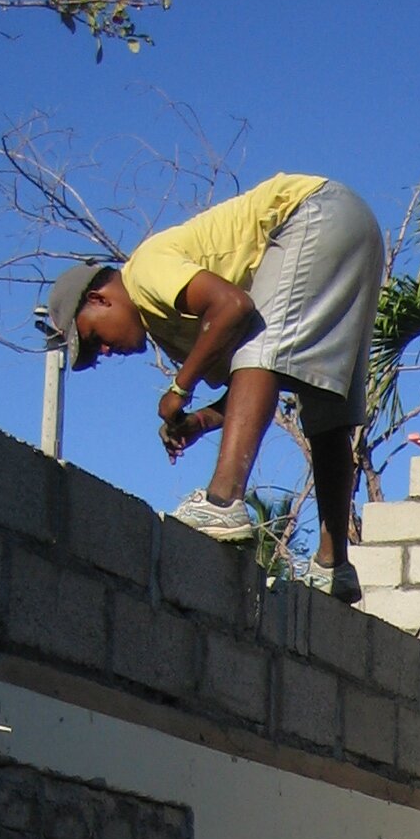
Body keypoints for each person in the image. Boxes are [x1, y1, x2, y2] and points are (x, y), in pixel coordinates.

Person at [45, 174, 383, 601]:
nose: (106, 351)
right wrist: (201, 421)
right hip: (356, 228)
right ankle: (333, 567)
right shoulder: (168, 327)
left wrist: (180, 388)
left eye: (95, 339)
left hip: (311, 211)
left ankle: (222, 504)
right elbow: (257, 381)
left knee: (264, 356)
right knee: (325, 405)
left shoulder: (143, 273)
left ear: (98, 298)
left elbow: (234, 307)